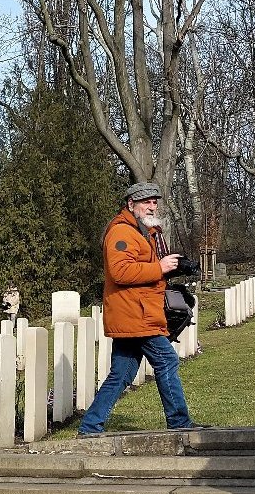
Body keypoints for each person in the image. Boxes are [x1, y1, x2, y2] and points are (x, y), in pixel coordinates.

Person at [78, 183, 198, 435]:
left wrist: (175, 266)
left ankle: (90, 426)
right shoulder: (122, 232)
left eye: (154, 201)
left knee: (122, 373)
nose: (152, 206)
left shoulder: (143, 231)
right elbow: (120, 272)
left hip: (137, 312)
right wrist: (160, 268)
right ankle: (179, 424)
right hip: (136, 314)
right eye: (146, 202)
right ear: (131, 205)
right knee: (167, 360)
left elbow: (145, 267)